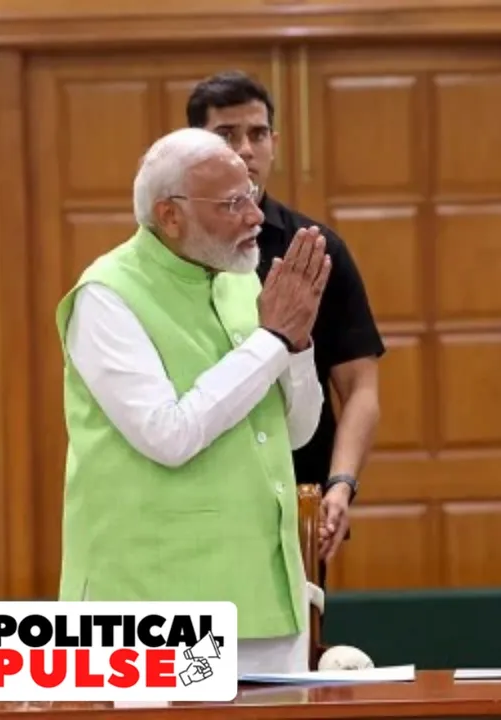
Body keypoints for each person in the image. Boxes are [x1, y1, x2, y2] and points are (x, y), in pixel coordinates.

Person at [56, 127, 330, 674]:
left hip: (266, 593)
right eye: (232, 204)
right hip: (148, 608)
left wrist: (296, 347)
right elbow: (169, 435)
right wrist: (272, 340)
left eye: (251, 194)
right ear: (170, 215)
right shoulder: (107, 295)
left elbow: (296, 433)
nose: (256, 216)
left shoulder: (242, 282)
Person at [187, 71, 385, 573]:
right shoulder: (176, 253)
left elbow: (359, 385)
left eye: (257, 134)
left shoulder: (315, 249)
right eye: (226, 136)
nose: (245, 149)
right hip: (195, 498)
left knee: (298, 648)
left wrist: (341, 483)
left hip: (295, 499)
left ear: (274, 142)